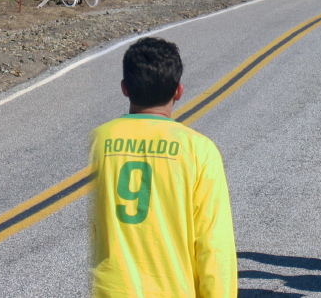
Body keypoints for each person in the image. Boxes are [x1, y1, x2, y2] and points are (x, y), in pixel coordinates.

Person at [89, 37, 236, 298]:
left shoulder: (99, 142)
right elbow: (214, 246)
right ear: (178, 91)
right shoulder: (199, 150)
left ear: (125, 88)